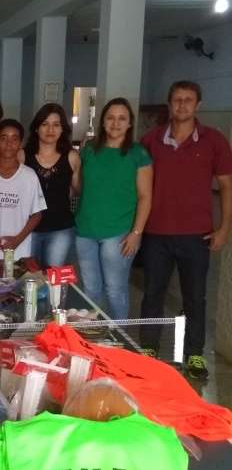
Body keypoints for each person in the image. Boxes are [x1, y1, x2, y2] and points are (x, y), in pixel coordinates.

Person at [140, 80, 232, 379]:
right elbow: (137, 185)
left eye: (188, 100)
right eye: (177, 99)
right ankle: (149, 348)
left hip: (197, 235)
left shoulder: (214, 140)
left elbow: (226, 185)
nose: (182, 105)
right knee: (153, 293)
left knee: (195, 297)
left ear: (198, 104)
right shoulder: (151, 140)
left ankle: (194, 354)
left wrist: (224, 228)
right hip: (156, 233)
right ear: (170, 104)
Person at [75, 98, 153, 320]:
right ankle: (95, 336)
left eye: (122, 118)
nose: (115, 123)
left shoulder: (138, 154)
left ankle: (118, 336)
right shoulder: (89, 150)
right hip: (85, 231)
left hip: (118, 234)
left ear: (130, 123)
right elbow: (81, 188)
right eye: (110, 118)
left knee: (115, 290)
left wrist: (136, 233)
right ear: (102, 122)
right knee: (91, 291)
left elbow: (145, 197)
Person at [0, 119, 46, 261]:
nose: (9, 144)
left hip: (19, 250)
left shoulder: (29, 176)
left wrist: (17, 240)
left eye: (14, 139)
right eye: (4, 138)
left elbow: (37, 214)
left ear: (20, 143)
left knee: (17, 276)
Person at [23, 103, 81, 267]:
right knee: (28, 277)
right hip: (28, 229)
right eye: (45, 124)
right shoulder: (23, 157)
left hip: (60, 229)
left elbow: (78, 190)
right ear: (36, 128)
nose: (50, 130)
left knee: (54, 278)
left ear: (63, 129)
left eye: (56, 125)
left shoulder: (72, 157)